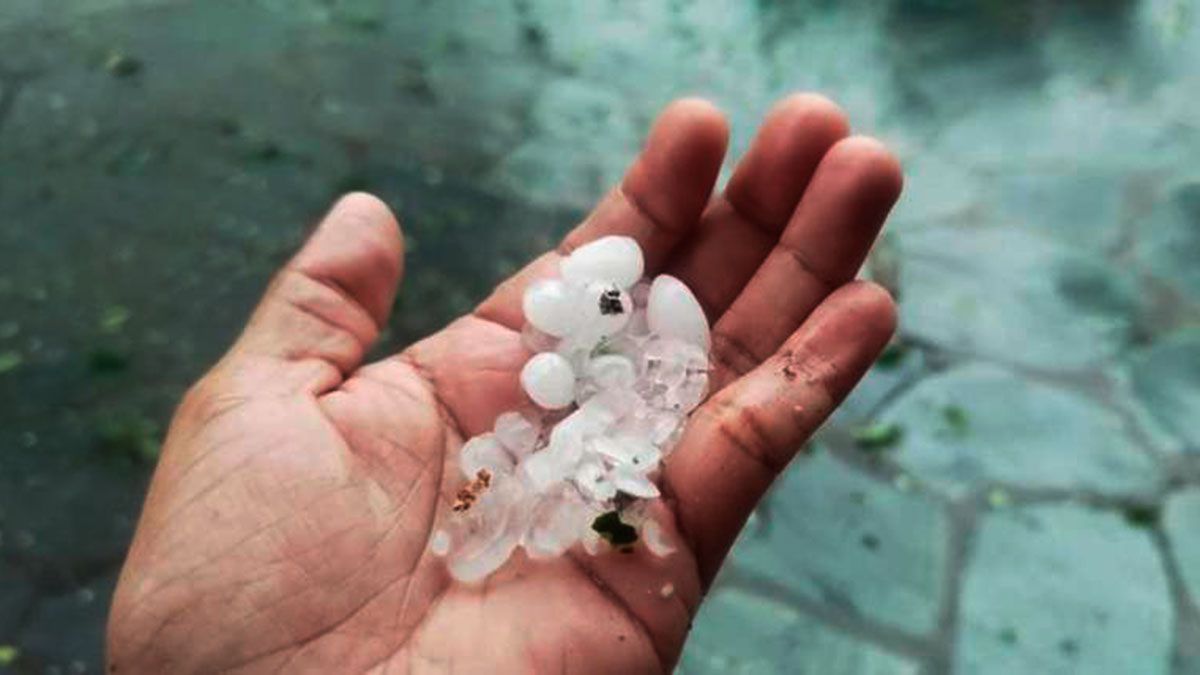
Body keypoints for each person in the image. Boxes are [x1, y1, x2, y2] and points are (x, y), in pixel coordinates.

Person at [105, 93, 902, 674]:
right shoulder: (520, 461)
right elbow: (514, 477)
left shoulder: (579, 437)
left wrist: (586, 466)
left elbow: (565, 465)